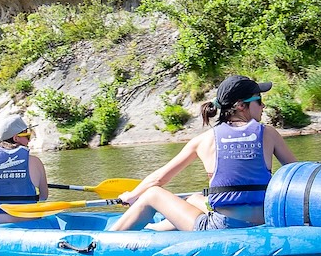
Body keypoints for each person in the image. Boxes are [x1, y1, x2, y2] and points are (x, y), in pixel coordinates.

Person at [107, 75, 296, 232]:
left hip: (222, 227)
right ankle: (155, 230)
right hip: (264, 222)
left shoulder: (203, 140)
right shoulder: (269, 133)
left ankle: (106, 240)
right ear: (240, 105)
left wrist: (132, 196)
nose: (263, 107)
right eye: (259, 101)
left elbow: (158, 180)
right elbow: (296, 175)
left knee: (152, 194)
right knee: (195, 199)